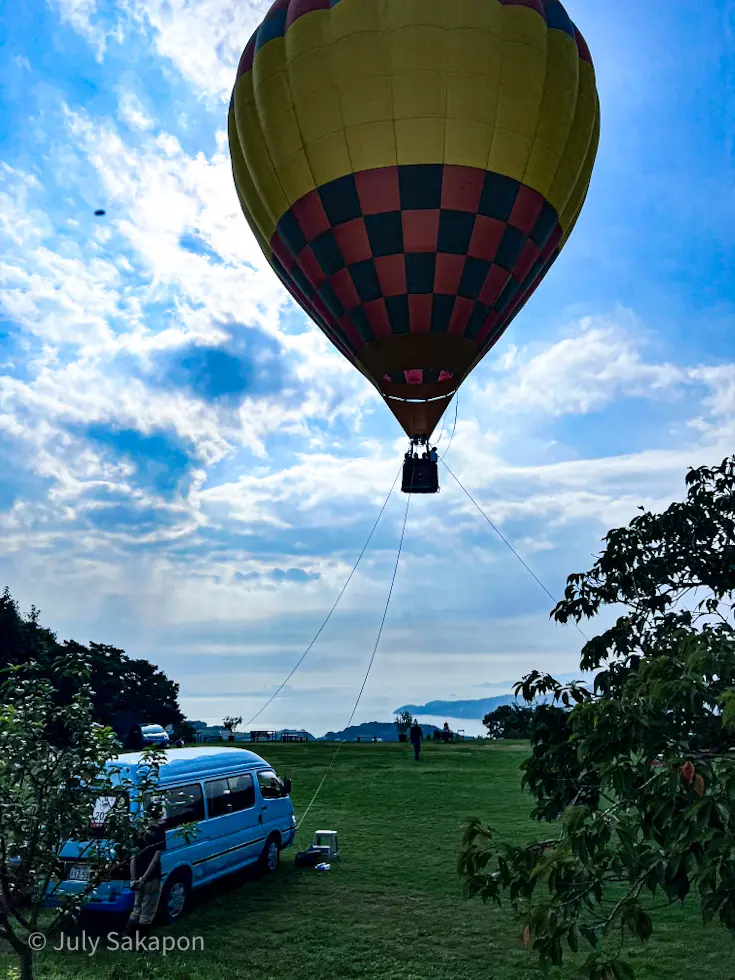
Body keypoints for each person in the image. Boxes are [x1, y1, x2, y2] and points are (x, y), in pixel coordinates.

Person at [126, 801, 166, 932]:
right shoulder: (159, 832)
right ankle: (141, 941)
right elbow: (155, 859)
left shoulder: (139, 830)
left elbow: (133, 857)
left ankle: (129, 936)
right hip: (151, 878)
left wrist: (134, 879)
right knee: (147, 912)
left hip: (137, 876)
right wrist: (144, 879)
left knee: (136, 908)